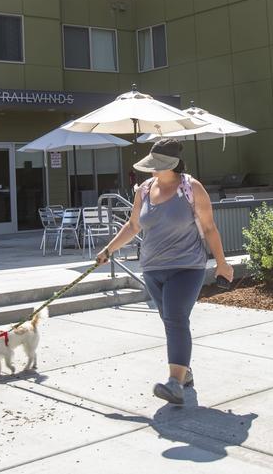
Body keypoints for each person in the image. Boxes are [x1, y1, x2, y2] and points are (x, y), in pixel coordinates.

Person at [96, 138, 234, 405]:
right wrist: (108, 250)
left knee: (175, 318)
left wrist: (221, 263)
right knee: (171, 321)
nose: (152, 168)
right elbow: (133, 226)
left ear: (172, 164)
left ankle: (174, 383)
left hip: (187, 267)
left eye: (157, 164)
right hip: (152, 269)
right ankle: (184, 372)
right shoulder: (144, 190)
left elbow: (209, 228)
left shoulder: (191, 188)